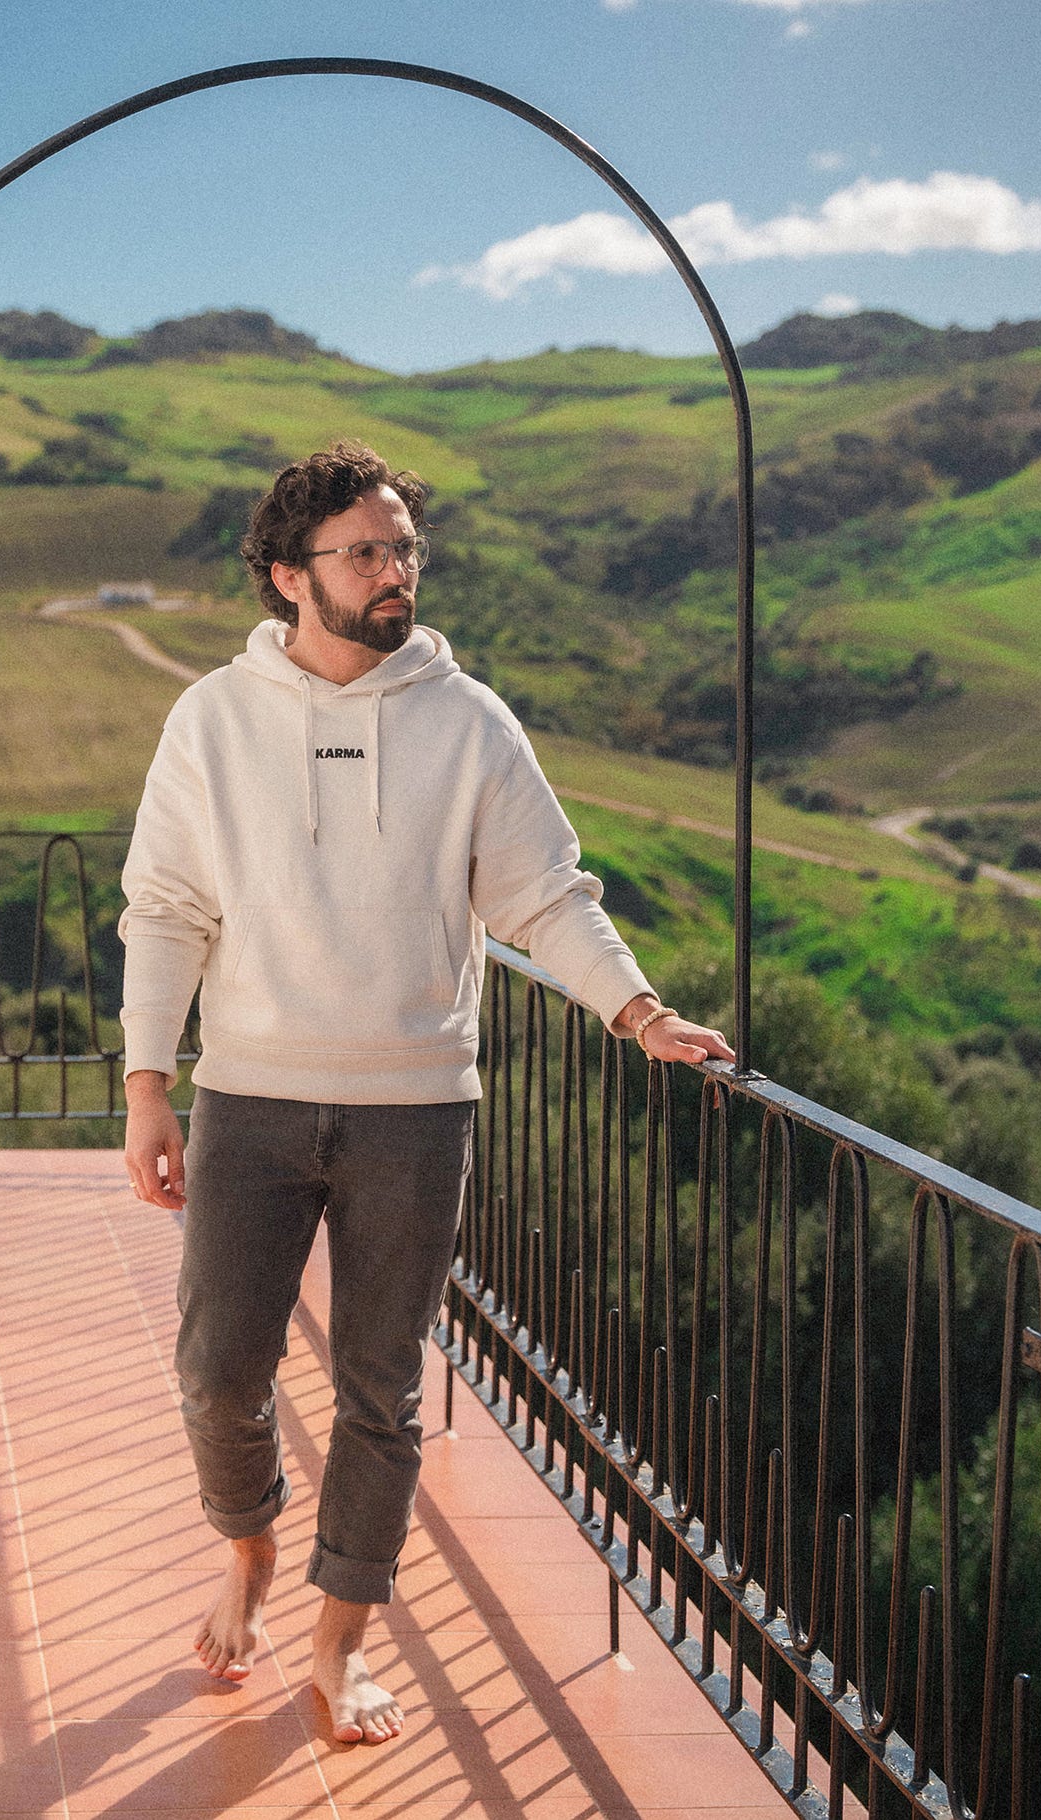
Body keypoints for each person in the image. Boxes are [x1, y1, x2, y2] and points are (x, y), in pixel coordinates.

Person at [119, 439, 733, 1745]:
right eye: (365, 551)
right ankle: (250, 1553)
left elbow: (544, 896)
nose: (395, 571)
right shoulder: (212, 723)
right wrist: (147, 1083)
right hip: (250, 1097)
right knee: (218, 1374)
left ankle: (337, 1650)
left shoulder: (469, 724)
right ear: (291, 575)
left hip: (416, 1105)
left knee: (380, 1388)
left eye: (405, 547)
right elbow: (166, 908)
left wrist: (637, 1011)